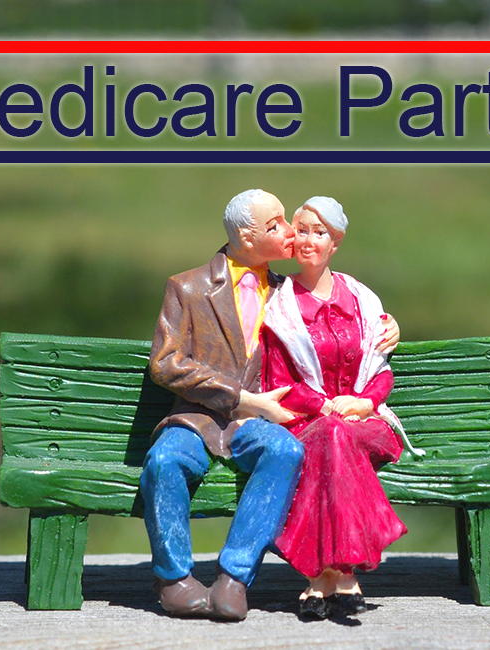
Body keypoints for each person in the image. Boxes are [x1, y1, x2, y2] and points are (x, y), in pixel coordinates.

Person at [142, 189, 304, 622]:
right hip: (198, 416)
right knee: (164, 461)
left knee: (286, 451)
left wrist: (386, 323)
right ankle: (173, 578)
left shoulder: (291, 293)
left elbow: (340, 315)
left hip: (255, 423)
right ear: (248, 239)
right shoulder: (188, 288)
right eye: (276, 226)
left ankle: (235, 576)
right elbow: (166, 363)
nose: (290, 232)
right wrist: (238, 398)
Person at [261, 196, 409, 620]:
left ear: (335, 242)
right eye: (301, 230)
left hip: (367, 424)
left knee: (338, 437)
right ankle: (341, 574)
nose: (308, 240)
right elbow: (279, 383)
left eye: (319, 232)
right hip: (308, 423)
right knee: (330, 436)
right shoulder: (281, 307)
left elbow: (380, 369)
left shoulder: (362, 301)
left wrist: (365, 402)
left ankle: (318, 577)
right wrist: (324, 405)